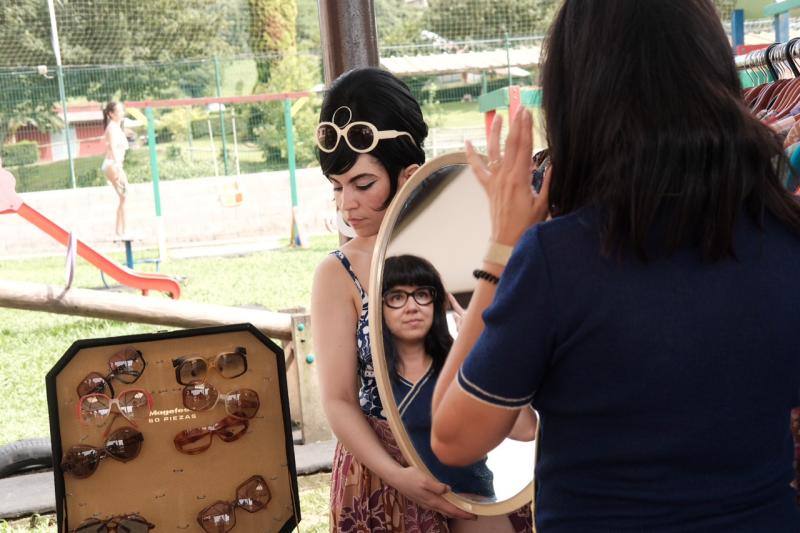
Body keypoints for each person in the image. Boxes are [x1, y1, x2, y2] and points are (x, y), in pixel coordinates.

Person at [430, 1, 800, 531]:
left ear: (581, 99)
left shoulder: (558, 262)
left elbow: (452, 437)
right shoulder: (786, 241)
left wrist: (502, 250)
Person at [310, 67, 476, 531]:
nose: (347, 205)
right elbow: (339, 401)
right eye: (336, 188)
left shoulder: (464, 251)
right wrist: (399, 476)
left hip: (471, 457)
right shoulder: (336, 274)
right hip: (381, 479)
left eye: (363, 185)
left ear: (408, 175)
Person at [382, 254, 535, 532]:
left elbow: (525, 430)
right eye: (396, 297)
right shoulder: (375, 380)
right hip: (403, 508)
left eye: (422, 295)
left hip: (471, 500)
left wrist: (484, 346)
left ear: (437, 302)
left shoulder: (461, 365)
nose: (412, 307)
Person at [101, 101, 129, 236]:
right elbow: (112, 147)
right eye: (119, 111)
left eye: (122, 110)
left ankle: (119, 232)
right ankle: (123, 231)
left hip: (115, 164)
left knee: (124, 197)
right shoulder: (112, 127)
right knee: (125, 195)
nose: (122, 113)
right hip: (113, 164)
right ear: (111, 114)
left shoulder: (116, 127)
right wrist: (118, 167)